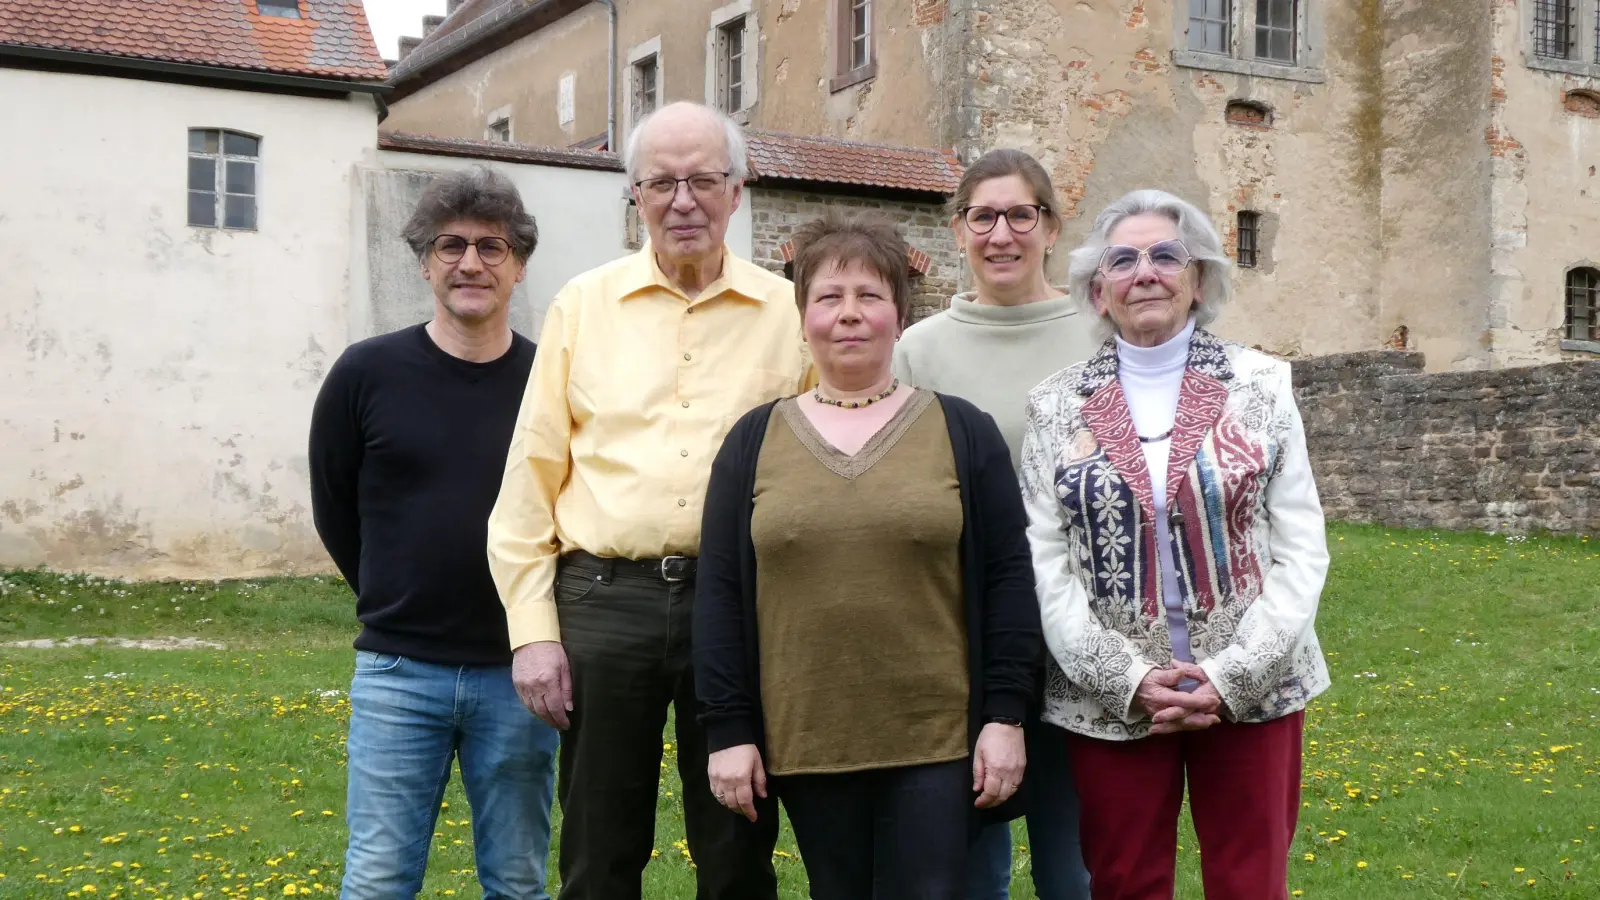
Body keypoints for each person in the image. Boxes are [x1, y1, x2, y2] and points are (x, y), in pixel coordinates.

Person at [486, 102, 807, 900]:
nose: (684, 200)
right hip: (603, 599)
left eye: (703, 179)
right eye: (661, 182)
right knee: (598, 845)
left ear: (738, 190)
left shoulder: (789, 313)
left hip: (736, 605)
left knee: (738, 841)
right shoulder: (582, 305)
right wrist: (532, 635)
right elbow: (531, 474)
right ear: (635, 195)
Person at [694, 213, 1044, 900]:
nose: (849, 315)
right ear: (803, 319)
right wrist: (728, 731)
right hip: (807, 740)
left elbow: (1008, 579)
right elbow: (721, 593)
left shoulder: (960, 431)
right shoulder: (754, 441)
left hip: (938, 740)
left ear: (899, 315)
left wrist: (1005, 718)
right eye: (829, 297)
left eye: (869, 296)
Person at [1019, 189, 1330, 900]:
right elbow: (1046, 558)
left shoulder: (1262, 385)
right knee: (1125, 881)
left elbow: (1301, 546)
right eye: (1122, 260)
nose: (1145, 272)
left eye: (1166, 255)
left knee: (1250, 882)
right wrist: (1124, 678)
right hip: (1109, 698)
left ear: (1199, 280)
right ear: (1099, 291)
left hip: (1257, 684)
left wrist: (1232, 673)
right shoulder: (1055, 404)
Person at [309, 166, 558, 900]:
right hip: (397, 673)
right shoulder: (366, 373)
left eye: (492, 246)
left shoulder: (551, 383)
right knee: (379, 880)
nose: (471, 263)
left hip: (519, 675)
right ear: (424, 262)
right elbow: (335, 508)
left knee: (517, 881)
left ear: (518, 265)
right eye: (451, 245)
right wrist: (394, 595)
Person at [893, 148, 1096, 900]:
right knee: (968, 868)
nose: (1001, 234)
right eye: (983, 216)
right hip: (963, 636)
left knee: (1072, 870)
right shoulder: (920, 351)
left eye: (1020, 215)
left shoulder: (1099, 338)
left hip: (1081, 631)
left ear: (1050, 226)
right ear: (957, 231)